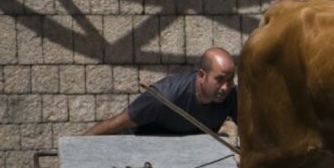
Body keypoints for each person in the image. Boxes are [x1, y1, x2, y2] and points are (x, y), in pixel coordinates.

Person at [85, 46, 238, 136]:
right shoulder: (165, 97)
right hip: (143, 152)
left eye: (230, 80)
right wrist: (74, 146)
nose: (225, 87)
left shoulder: (231, 97)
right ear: (201, 76)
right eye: (219, 79)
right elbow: (116, 123)